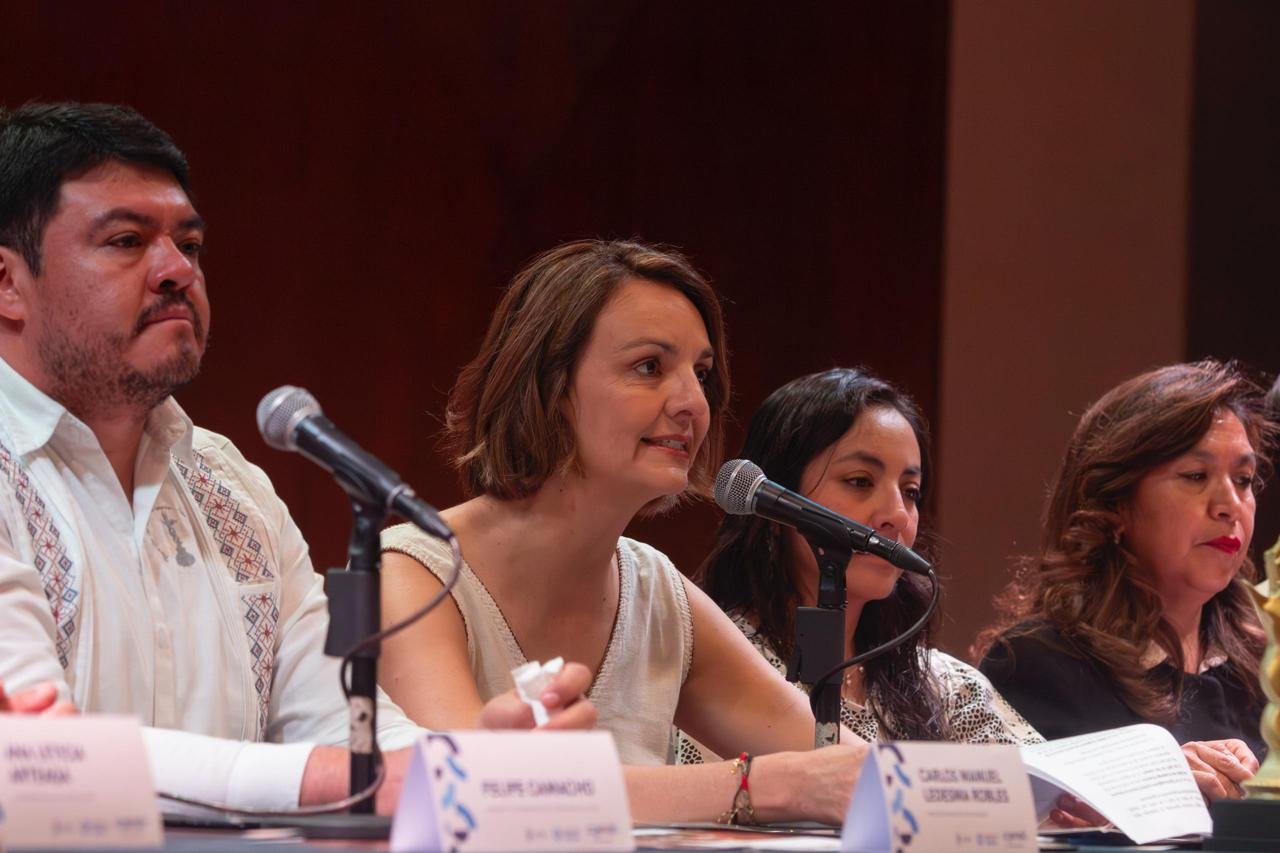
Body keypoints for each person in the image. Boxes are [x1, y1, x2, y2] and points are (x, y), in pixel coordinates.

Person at [0, 102, 593, 815]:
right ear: (8, 284)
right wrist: (369, 778)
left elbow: (342, 727)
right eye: (126, 241)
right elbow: (42, 761)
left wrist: (470, 761)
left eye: (190, 243)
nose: (177, 270)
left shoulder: (231, 485)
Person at [379, 239, 867, 825]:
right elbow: (477, 790)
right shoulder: (411, 576)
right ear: (551, 386)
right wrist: (760, 786)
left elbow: (837, 767)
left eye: (701, 373)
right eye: (649, 367)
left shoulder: (657, 591)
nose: (694, 403)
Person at [679, 367, 1039, 764]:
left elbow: (1051, 788)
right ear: (774, 502)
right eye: (860, 481)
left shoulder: (950, 689)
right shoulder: (714, 669)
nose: (898, 515)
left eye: (911, 491)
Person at [975, 361, 1267, 800]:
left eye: (1243, 480)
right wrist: (1153, 781)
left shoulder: (1266, 664)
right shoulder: (1039, 663)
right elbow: (1011, 816)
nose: (1230, 505)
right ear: (1113, 505)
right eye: (1196, 476)